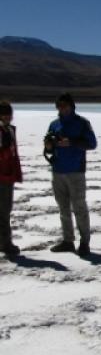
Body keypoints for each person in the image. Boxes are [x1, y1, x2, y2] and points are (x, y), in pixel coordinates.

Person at [44, 93, 97, 256]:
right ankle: (68, 241)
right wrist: (49, 145)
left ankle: (84, 242)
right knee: (63, 208)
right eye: (59, 106)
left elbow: (92, 144)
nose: (62, 109)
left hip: (76, 172)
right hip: (58, 171)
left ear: (72, 106)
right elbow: (49, 148)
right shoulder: (54, 124)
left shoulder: (82, 123)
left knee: (79, 207)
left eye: (65, 105)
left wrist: (72, 142)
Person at [0, 100, 22, 256]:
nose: (8, 117)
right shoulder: (2, 132)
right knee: (4, 210)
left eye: (9, 114)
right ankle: (5, 243)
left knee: (5, 210)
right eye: (4, 114)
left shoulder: (9, 130)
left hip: (8, 175)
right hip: (3, 176)